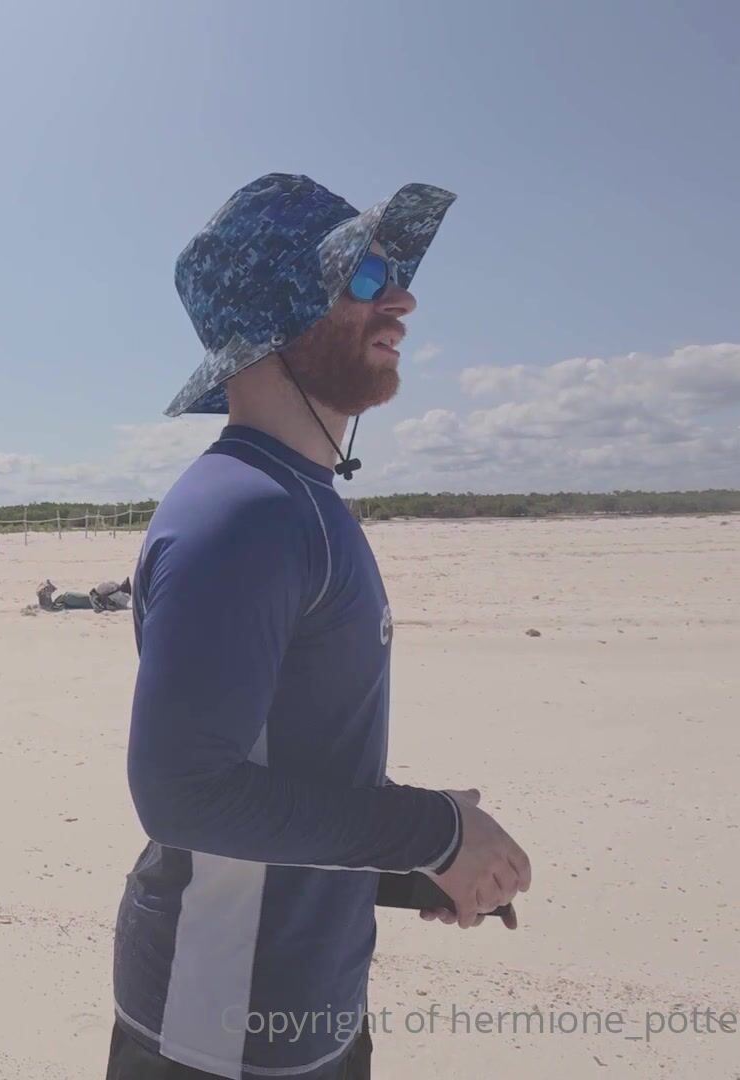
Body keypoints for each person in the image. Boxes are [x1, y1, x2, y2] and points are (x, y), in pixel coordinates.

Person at [108, 175, 532, 1079]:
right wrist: (435, 832)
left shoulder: (298, 500)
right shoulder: (246, 514)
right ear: (277, 309)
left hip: (309, 1009)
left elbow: (287, 767)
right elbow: (184, 795)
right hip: (218, 1032)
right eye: (366, 277)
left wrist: (416, 862)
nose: (402, 300)